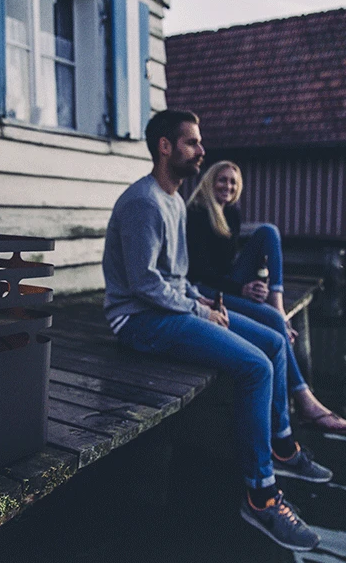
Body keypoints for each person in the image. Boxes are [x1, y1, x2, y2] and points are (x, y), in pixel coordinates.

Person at [102, 110, 332, 552]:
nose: (201, 151)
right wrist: (198, 310)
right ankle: (260, 496)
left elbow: (178, 277)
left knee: (272, 341)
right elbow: (144, 284)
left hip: (169, 309)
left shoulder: (172, 200)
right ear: (165, 147)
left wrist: (204, 302)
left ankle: (282, 447)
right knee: (256, 368)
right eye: (192, 142)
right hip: (138, 321)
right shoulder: (143, 203)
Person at [186, 161, 346, 435]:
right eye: (222, 180)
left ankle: (277, 304)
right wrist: (241, 290)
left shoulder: (231, 213)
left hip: (225, 282)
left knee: (268, 231)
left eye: (233, 182)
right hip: (202, 289)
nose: (228, 186)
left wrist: (254, 284)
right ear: (210, 181)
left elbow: (228, 264)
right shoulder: (197, 213)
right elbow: (199, 271)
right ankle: (304, 403)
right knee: (272, 322)